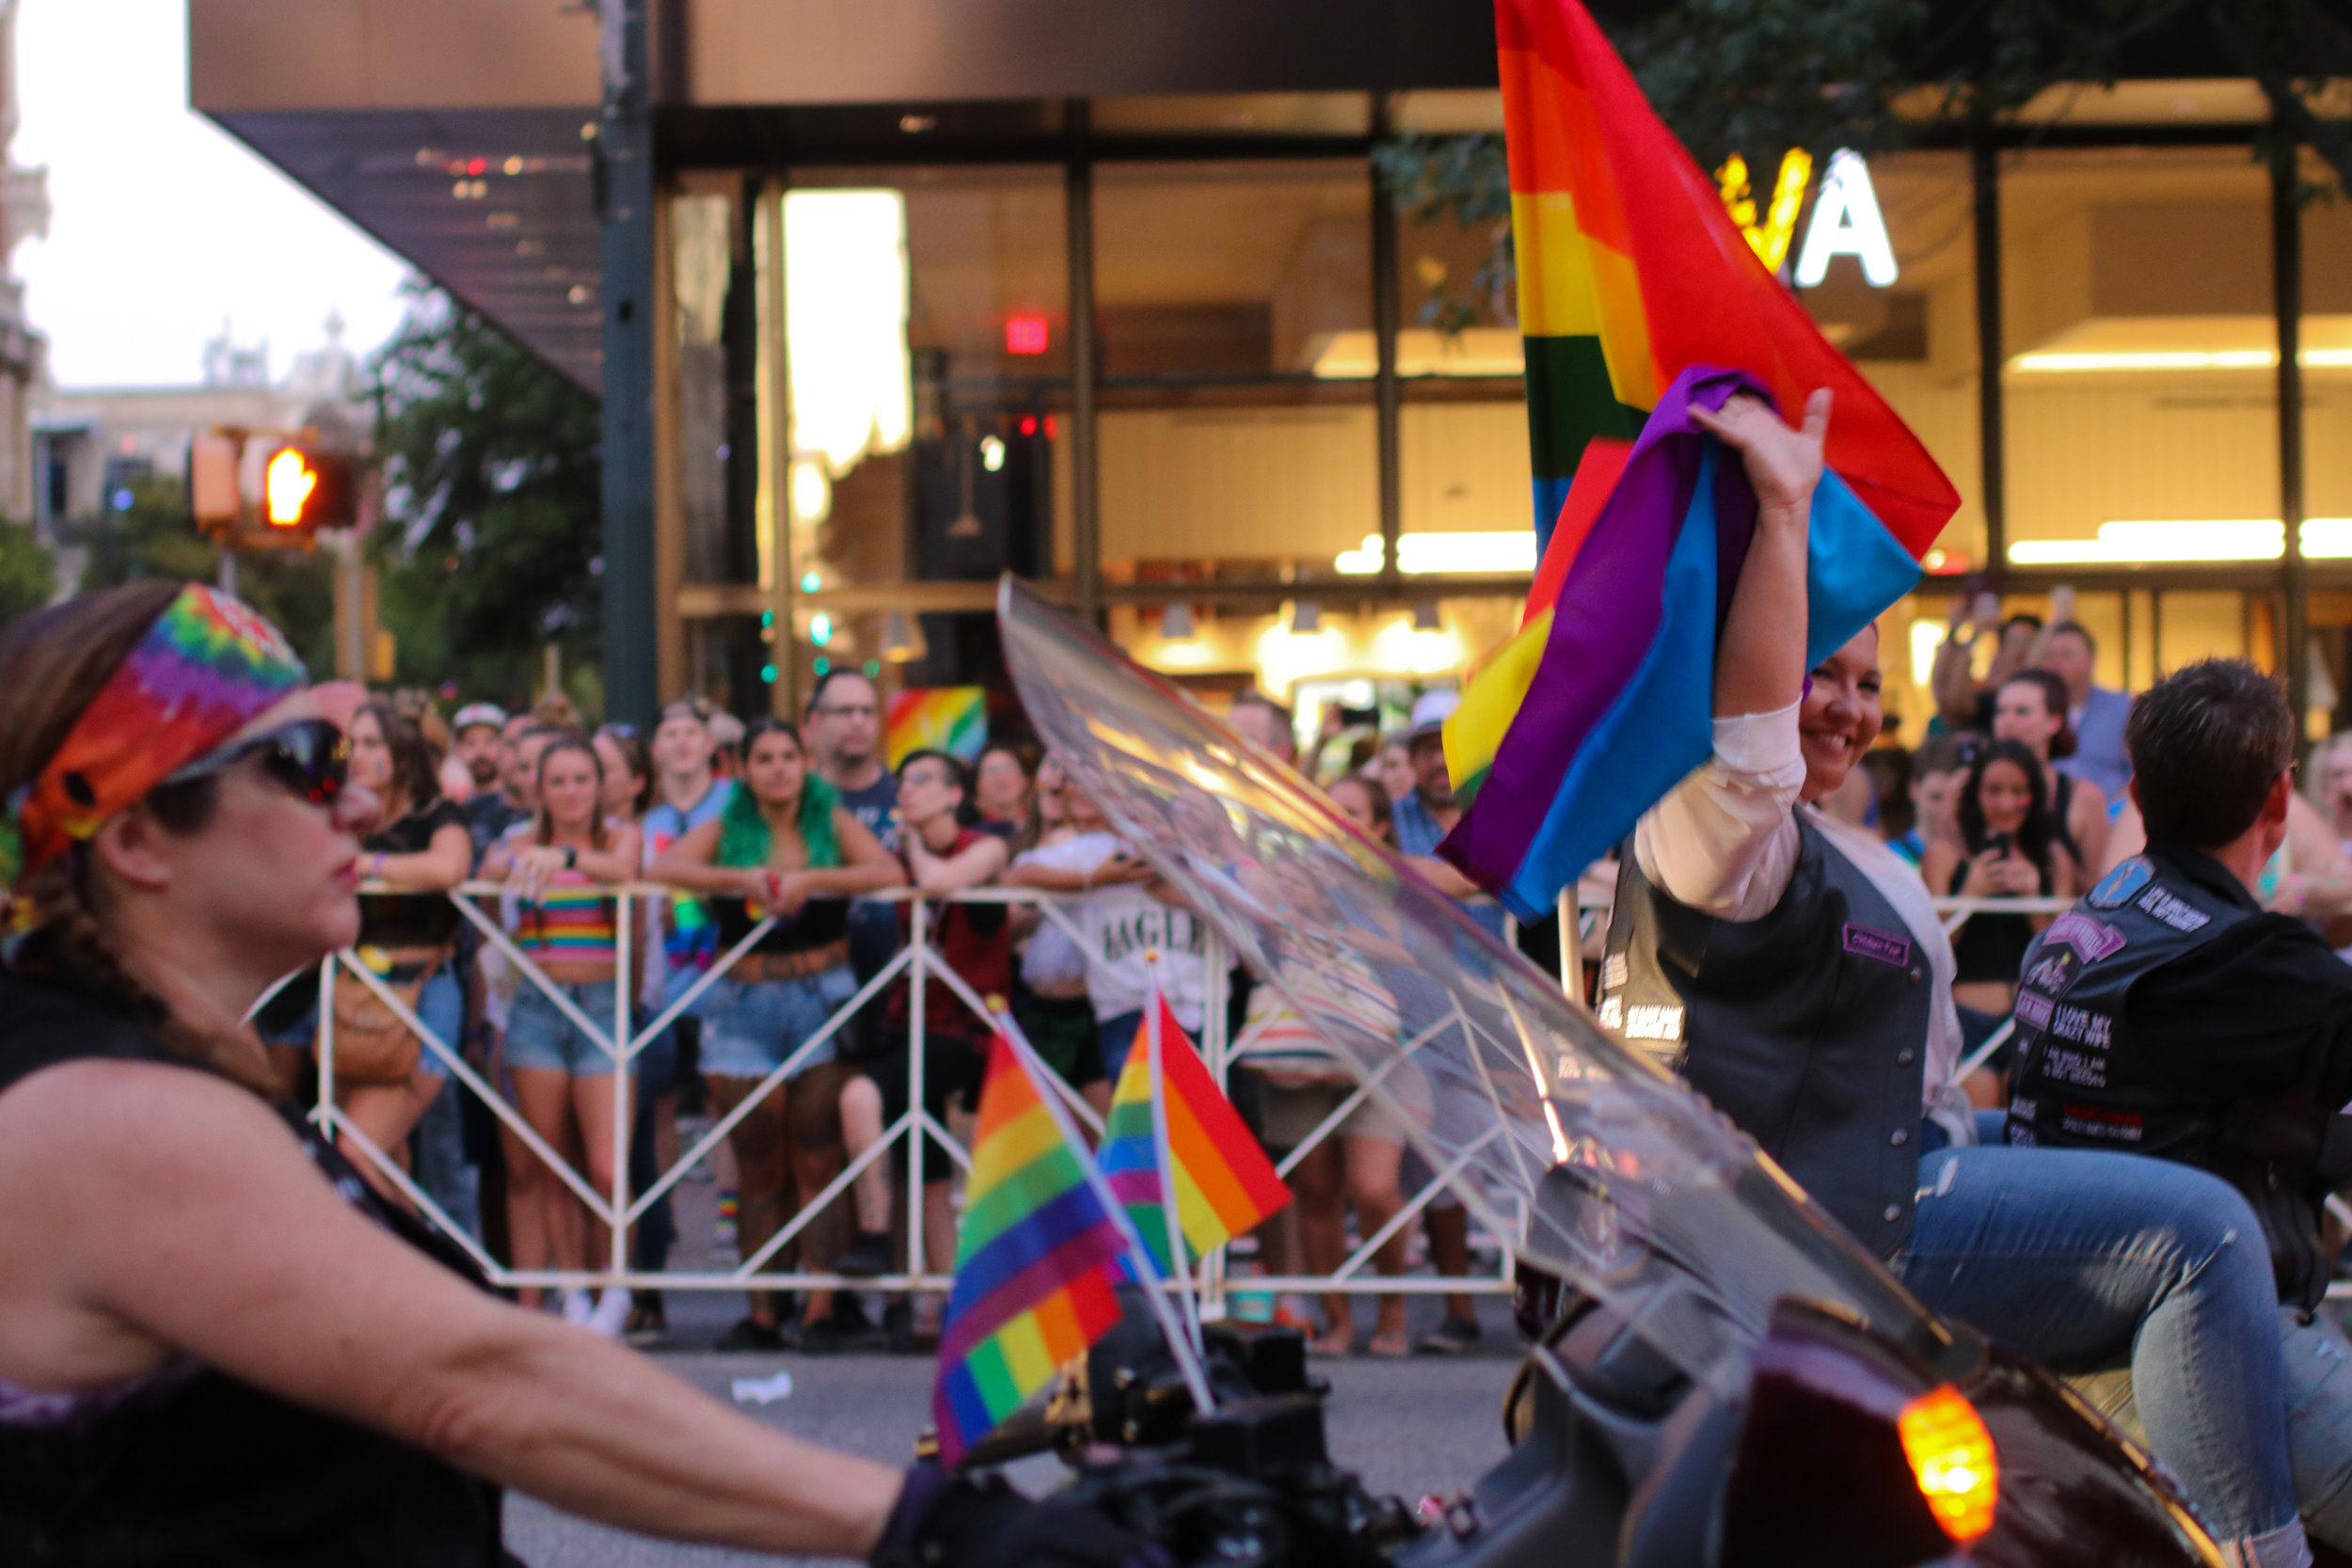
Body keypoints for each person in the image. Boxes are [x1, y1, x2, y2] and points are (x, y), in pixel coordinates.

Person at [0, 581, 1152, 1567]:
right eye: (301, 763)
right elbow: (480, 1378)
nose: (357, 796)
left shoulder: (140, 1065)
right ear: (137, 835)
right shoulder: (109, 1113)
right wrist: (935, 1525)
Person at [1598, 386, 2313, 1568]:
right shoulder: (1703, 822)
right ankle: (2258, 1557)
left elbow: (1910, 1084)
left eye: (1871, 684)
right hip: (1822, 1229)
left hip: (1896, 1185)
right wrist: (1782, 515)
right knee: (2202, 1232)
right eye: (1822, 673)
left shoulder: (1853, 852)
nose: (1847, 706)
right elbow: (1750, 758)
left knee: (2167, 1205)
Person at [2007, 658, 2352, 1549]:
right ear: (2281, 799)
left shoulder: (2100, 913)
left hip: (2068, 1324)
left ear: (2135, 796)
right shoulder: (2248, 967)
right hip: (2207, 1345)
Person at [651, 720, 898, 1352]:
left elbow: (887, 872)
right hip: (741, 1001)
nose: (779, 768)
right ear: (745, 767)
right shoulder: (728, 825)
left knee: (818, 1153)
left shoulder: (832, 818)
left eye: (789, 756)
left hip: (822, 995)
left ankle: (821, 1308)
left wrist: (816, 880)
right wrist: (738, 879)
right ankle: (763, 1310)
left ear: (806, 761)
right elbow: (666, 867)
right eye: (765, 758)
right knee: (758, 1161)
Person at [836, 751, 1011, 1354]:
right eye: (901, 781)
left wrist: (908, 846)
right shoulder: (895, 857)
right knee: (929, 1175)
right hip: (906, 1027)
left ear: (954, 794)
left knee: (860, 1096)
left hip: (967, 1031)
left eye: (921, 781)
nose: (906, 790)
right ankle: (945, 1302)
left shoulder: (985, 845)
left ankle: (876, 1235)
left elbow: (940, 882)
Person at [483, 736, 644, 1338]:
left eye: (583, 779)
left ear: (600, 785)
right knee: (553, 1166)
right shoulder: (521, 840)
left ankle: (615, 1288)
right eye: (559, 781)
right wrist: (531, 856)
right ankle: (572, 1293)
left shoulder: (617, 836)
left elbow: (626, 870)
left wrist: (564, 860)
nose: (572, 792)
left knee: (606, 1168)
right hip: (536, 1006)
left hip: (601, 1006)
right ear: (539, 789)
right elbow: (490, 868)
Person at [342, 699, 479, 1236]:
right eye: (351, 743)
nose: (357, 755)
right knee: (386, 1161)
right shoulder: (343, 816)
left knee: (355, 1150)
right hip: (352, 998)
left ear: (400, 756)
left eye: (371, 744)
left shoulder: (436, 814)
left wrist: (370, 865)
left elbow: (449, 867)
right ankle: (417, 1278)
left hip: (423, 994)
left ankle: (433, 1276)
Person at [632, 697, 737, 1339]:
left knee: (728, 1094)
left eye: (690, 732)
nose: (679, 743)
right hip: (661, 981)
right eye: (668, 732)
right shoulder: (643, 821)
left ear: (707, 743)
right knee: (661, 1105)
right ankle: (661, 1226)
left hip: (724, 971)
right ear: (657, 748)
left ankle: (728, 1218)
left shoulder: (732, 804)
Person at [1921, 736, 2080, 1023]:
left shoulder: (2055, 860)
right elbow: (1930, 952)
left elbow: (2064, 965)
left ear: (2034, 796)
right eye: (1994, 791)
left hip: (2031, 1019)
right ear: (1975, 795)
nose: (2006, 804)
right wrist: (1970, 894)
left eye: (2018, 791)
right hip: (1963, 1019)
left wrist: (2033, 902)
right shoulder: (1943, 856)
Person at [1006, 757, 1113, 1115]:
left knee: (1097, 1124)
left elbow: (1023, 873)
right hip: (1037, 1000)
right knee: (1046, 1128)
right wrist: (1092, 880)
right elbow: (1018, 880)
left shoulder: (1105, 843)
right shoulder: (1047, 844)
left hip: (1090, 1002)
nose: (1070, 786)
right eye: (1067, 779)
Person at [1993, 666, 2109, 873]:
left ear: (2054, 722)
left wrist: (2060, 869)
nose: (2007, 722)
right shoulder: (1964, 788)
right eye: (2001, 711)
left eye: (2022, 711)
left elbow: (2100, 887)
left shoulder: (2084, 796)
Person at [2038, 617, 2134, 800]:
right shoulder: (2032, 710)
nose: (2055, 663)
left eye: (2066, 655)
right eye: (2049, 656)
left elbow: (2138, 774)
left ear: (2091, 660)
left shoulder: (2122, 707)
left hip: (2111, 816)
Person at [1931, 601, 2042, 734]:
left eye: (2028, 642)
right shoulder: (1985, 701)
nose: (2018, 651)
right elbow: (1947, 695)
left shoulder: (2040, 698)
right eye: (2011, 641)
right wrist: (1965, 634)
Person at [1889, 733, 1964, 868]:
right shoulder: (1891, 856)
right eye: (1935, 797)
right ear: (1914, 789)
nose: (1944, 808)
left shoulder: (1969, 858)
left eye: (1954, 798)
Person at [973, 741, 1034, 836]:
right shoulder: (973, 835)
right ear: (979, 785)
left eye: (1007, 769)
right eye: (991, 771)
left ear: (1024, 780)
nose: (1000, 778)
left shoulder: (1042, 825)